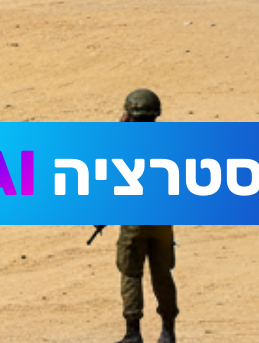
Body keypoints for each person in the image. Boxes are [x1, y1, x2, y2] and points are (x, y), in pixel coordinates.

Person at [104, 89, 178, 343]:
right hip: (162, 223)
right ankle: (168, 331)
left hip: (134, 223)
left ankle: (133, 332)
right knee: (162, 274)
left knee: (131, 273)